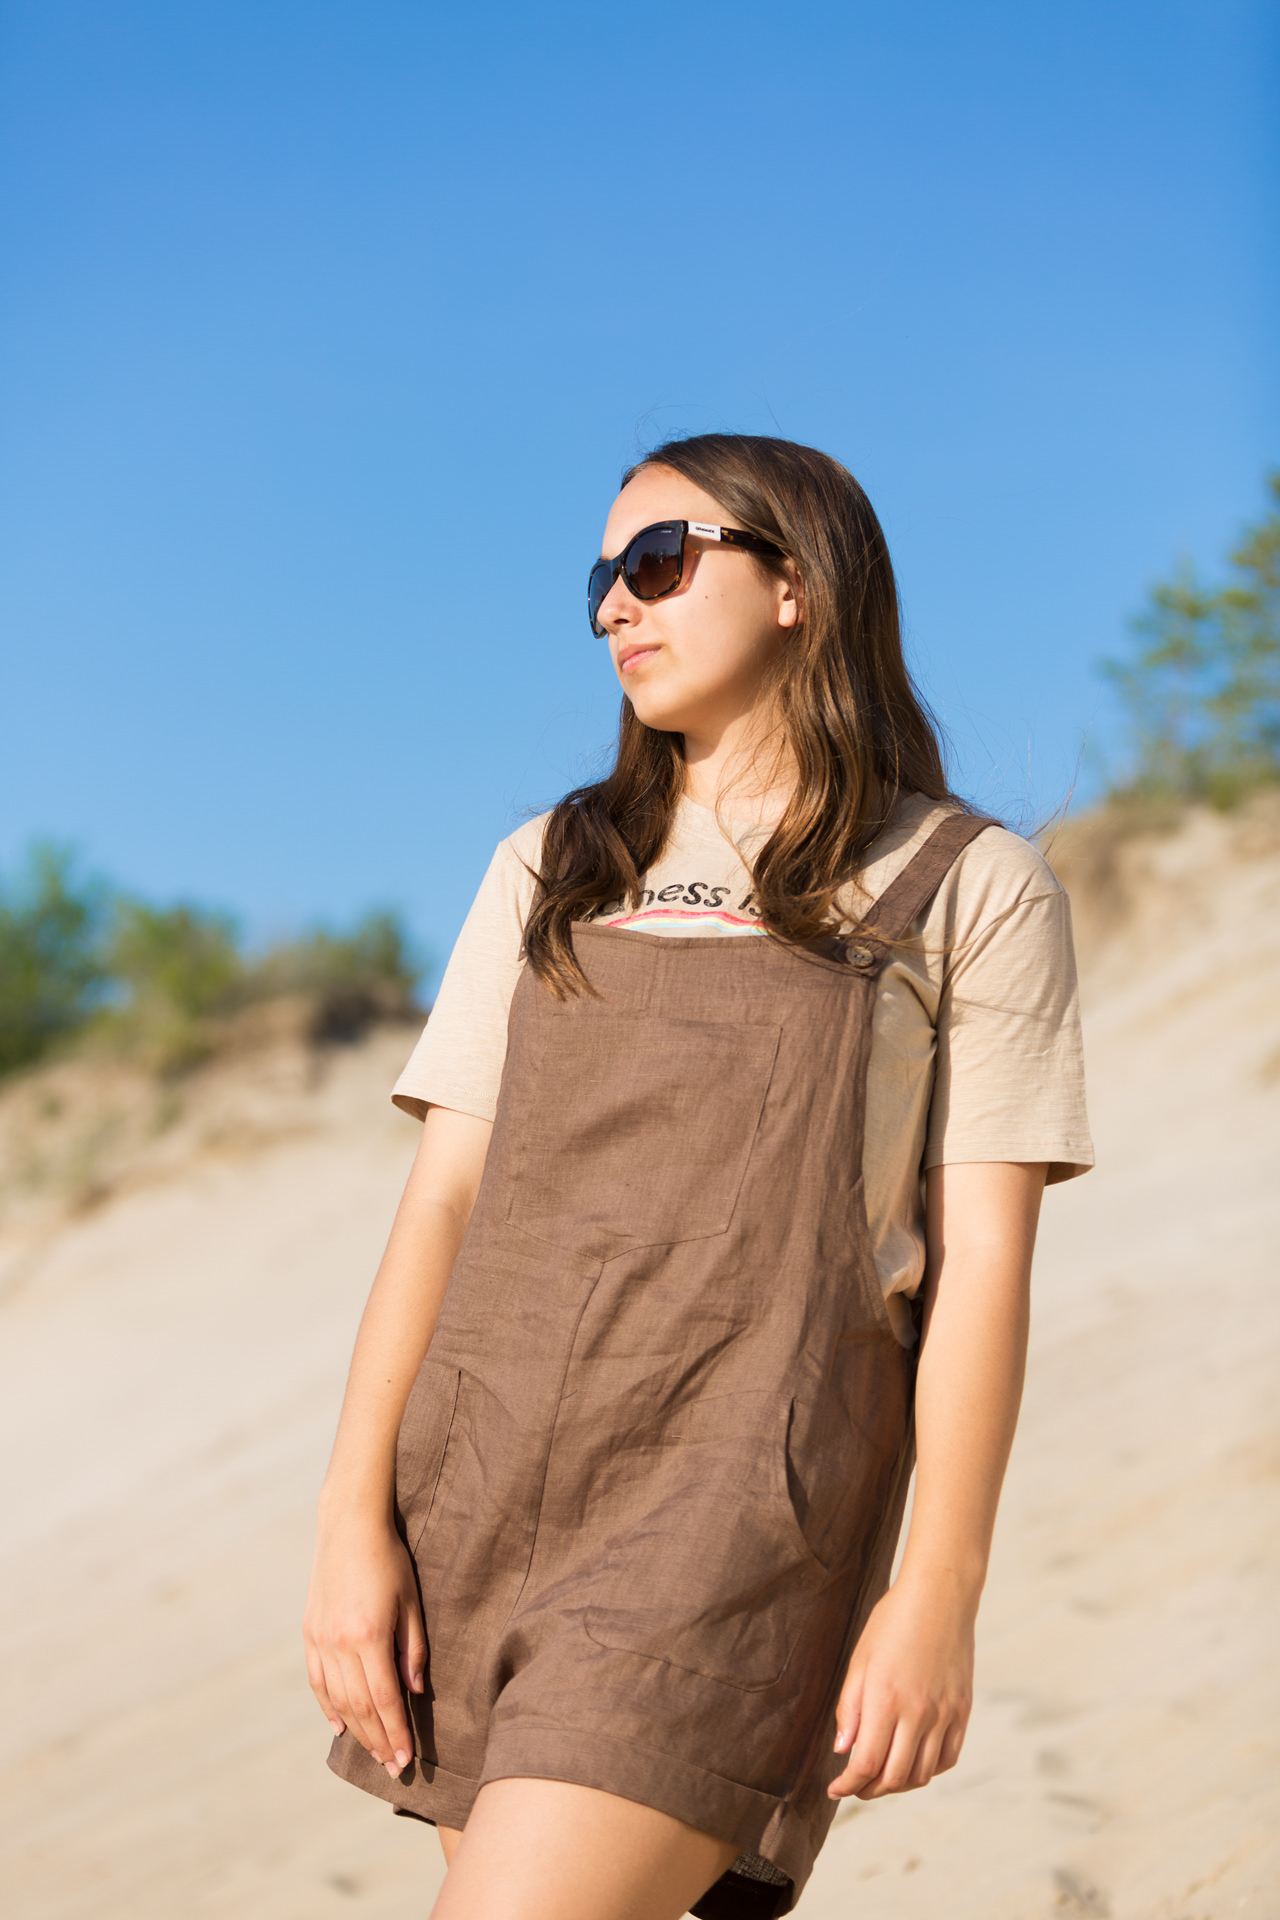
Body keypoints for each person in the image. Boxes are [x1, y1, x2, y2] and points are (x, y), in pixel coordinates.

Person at [303, 433, 1093, 1920]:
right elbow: (446, 1206)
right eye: (601, 579)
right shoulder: (551, 866)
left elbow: (980, 1267)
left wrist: (938, 1589)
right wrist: (353, 1520)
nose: (617, 606)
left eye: (659, 562)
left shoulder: (967, 885)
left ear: (796, 581)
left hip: (740, 1510)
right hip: (481, 1482)